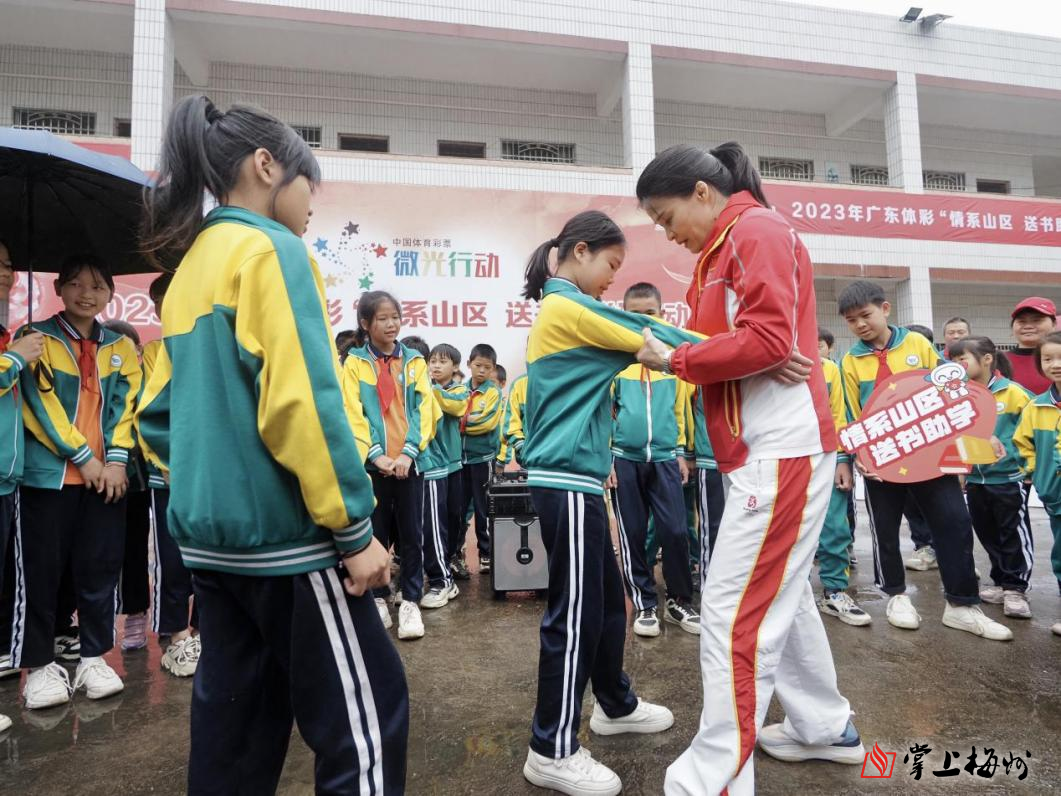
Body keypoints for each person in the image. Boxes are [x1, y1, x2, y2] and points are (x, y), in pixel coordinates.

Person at [137, 95, 406, 794]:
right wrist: (353, 529)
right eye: (305, 182)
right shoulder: (270, 250)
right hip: (289, 543)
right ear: (265, 166)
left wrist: (214, 486)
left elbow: (155, 415)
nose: (311, 203)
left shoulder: (192, 267)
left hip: (210, 546)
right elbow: (303, 406)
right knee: (367, 723)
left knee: (235, 737)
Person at [635, 142, 863, 796]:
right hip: (756, 449)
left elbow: (765, 341)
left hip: (781, 449)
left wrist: (678, 361)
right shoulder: (724, 243)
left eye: (664, 215)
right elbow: (752, 345)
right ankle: (826, 728)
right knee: (780, 605)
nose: (665, 232)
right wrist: (740, 351)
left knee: (734, 613)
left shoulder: (755, 231)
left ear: (700, 193)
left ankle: (715, 778)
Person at [519, 209, 701, 796]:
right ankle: (551, 748)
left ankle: (614, 705)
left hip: (583, 481)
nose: (611, 280)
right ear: (577, 251)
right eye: (610, 266)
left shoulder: (571, 306)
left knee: (605, 605)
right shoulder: (567, 305)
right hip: (565, 480)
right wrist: (743, 350)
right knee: (573, 614)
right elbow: (655, 340)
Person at [837, 280, 1011, 641]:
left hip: (931, 456)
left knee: (954, 521)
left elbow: (951, 393)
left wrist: (979, 432)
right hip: (881, 461)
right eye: (852, 320)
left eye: (866, 315)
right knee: (884, 529)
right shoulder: (850, 361)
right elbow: (849, 414)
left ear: (885, 309)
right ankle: (896, 595)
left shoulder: (917, 344)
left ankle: (962, 604)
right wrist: (854, 457)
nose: (860, 324)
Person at [14, 255, 141, 709]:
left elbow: (127, 406)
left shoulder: (120, 347)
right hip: (50, 479)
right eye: (76, 284)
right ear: (58, 288)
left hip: (106, 479)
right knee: (42, 574)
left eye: (98, 286)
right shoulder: (34, 339)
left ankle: (92, 657)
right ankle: (40, 665)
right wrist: (83, 457)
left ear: (109, 293)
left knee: (100, 570)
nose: (87, 294)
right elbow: (37, 406)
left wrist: (117, 461)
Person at [343, 292, 439, 640]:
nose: (391, 324)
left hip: (410, 464)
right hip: (373, 467)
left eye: (395, 317)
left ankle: (411, 599)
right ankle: (380, 597)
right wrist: (376, 455)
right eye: (383, 318)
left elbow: (425, 410)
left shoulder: (413, 361)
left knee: (413, 535)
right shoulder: (354, 364)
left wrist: (408, 453)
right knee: (377, 534)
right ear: (366, 324)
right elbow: (352, 413)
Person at [608, 281, 698, 637]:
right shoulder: (615, 364)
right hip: (624, 461)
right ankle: (645, 603)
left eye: (650, 314)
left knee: (675, 530)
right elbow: (604, 414)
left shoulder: (671, 361)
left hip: (664, 459)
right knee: (631, 534)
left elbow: (679, 412)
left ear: (661, 316)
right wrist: (606, 460)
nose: (643, 321)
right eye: (635, 315)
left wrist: (679, 453)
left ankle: (679, 601)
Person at [138, 273, 200, 676]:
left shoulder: (206, 345)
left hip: (208, 476)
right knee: (171, 559)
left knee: (209, 560)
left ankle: (203, 631)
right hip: (170, 475)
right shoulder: (154, 351)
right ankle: (175, 635)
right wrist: (168, 463)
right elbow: (149, 414)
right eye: (164, 299)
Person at [949, 336, 1034, 619]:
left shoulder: (1014, 393)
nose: (957, 365)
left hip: (1008, 477)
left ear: (987, 359)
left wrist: (1024, 464)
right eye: (953, 360)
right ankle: (1000, 581)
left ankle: (1015, 588)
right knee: (987, 532)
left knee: (1012, 533)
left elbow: (1031, 432)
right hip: (976, 480)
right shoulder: (960, 396)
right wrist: (962, 470)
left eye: (963, 359)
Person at [0, 239, 44, 730]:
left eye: (9, 264)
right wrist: (14, 360)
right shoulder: (11, 347)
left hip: (8, 480)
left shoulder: (9, 334)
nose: (6, 273)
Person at [103, 319, 153, 652]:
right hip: (99, 477)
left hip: (139, 482)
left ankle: (136, 618)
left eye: (130, 346)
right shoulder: (102, 383)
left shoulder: (150, 379)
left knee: (135, 552)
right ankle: (99, 622)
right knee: (100, 555)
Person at [816, 327, 871, 627]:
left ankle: (834, 591)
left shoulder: (829, 370)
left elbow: (840, 415)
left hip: (825, 458)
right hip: (784, 460)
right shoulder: (771, 365)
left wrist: (841, 459)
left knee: (835, 527)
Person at [1013, 330, 1061, 636]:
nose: (1055, 364)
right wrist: (1038, 473)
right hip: (1056, 498)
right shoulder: (1036, 406)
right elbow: (1023, 443)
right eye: (1048, 358)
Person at [461, 343, 504, 573]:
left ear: (493, 369)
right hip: (459, 459)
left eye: (487, 367)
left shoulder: (493, 392)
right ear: (469, 364)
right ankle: (456, 551)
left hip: (483, 459)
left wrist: (461, 422)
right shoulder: (459, 390)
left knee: (483, 508)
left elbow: (485, 423)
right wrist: (469, 418)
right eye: (477, 365)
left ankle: (486, 553)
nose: (481, 371)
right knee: (459, 508)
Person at [901, 324, 937, 572]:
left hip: (932, 444)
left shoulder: (937, 373)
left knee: (938, 502)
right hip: (903, 447)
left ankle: (944, 549)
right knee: (911, 502)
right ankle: (923, 546)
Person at [1008, 297, 1057, 395]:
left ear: (1054, 324)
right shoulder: (997, 361)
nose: (1028, 326)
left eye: (1036, 320)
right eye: (1022, 321)